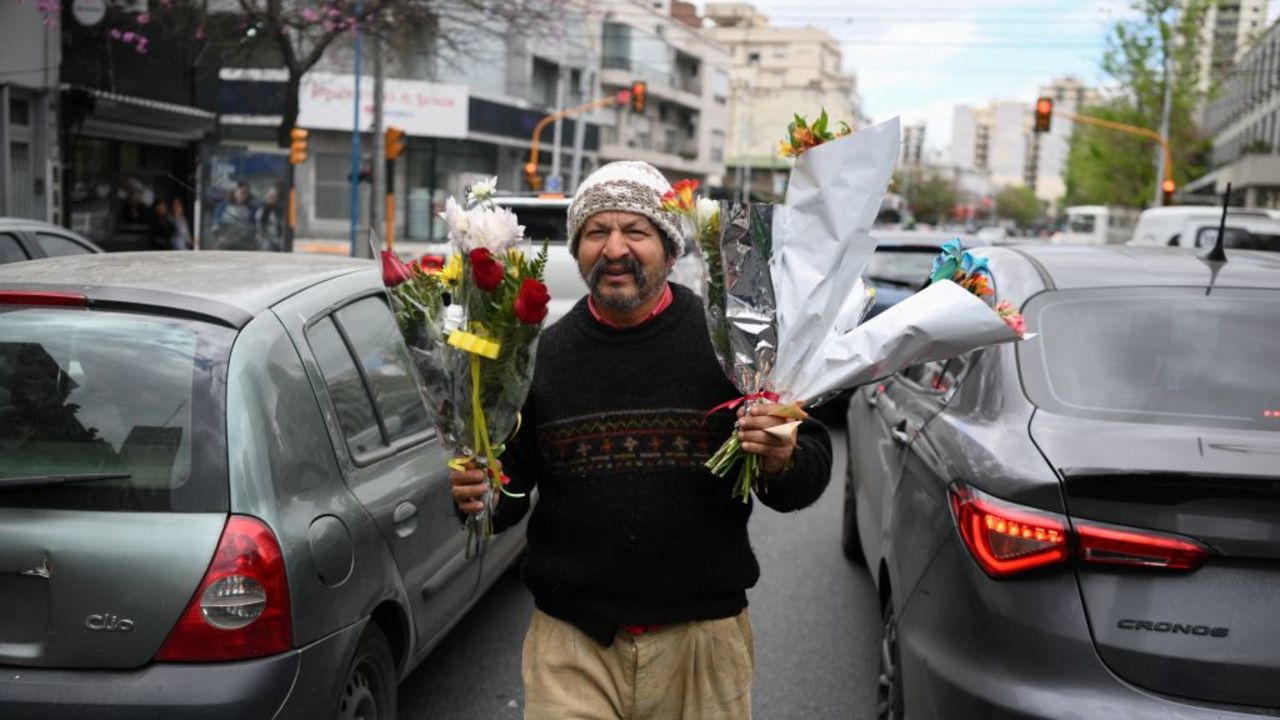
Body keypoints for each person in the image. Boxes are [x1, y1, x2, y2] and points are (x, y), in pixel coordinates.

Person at [450, 161, 833, 719]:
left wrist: (783, 457)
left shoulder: (732, 347)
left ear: (670, 250)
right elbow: (507, 495)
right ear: (578, 250)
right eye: (596, 232)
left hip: (703, 642)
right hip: (572, 646)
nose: (614, 249)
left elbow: (807, 467)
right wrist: (477, 495)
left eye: (636, 231)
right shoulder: (538, 360)